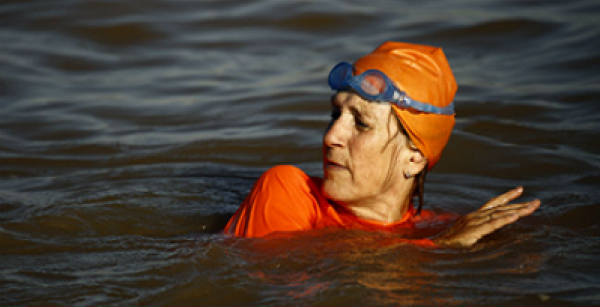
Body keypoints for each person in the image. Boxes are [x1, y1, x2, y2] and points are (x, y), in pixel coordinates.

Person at [224, 41, 540, 248]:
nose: (330, 136)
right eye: (336, 115)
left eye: (360, 123)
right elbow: (275, 298)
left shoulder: (439, 226)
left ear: (415, 157)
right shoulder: (289, 191)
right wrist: (441, 249)